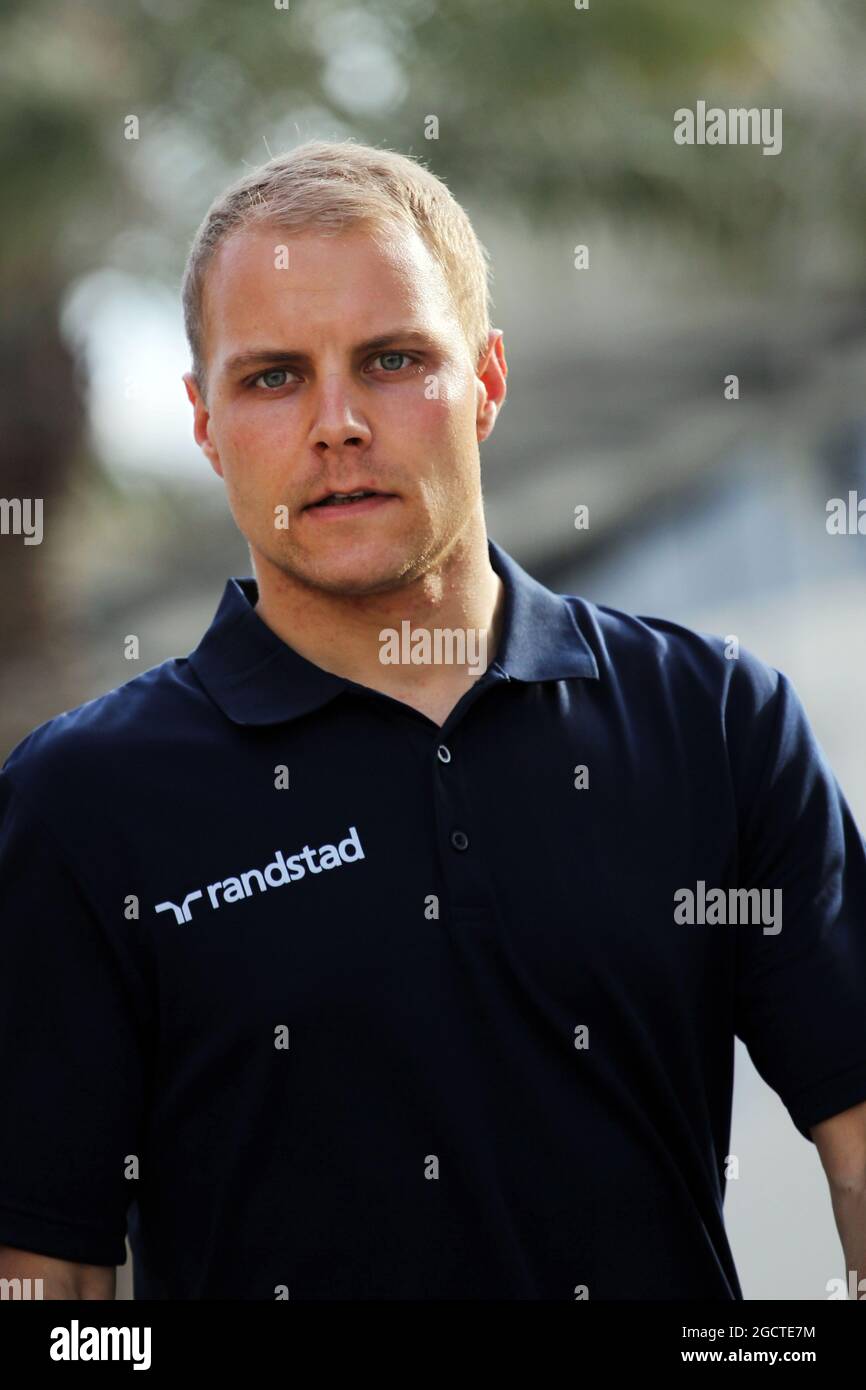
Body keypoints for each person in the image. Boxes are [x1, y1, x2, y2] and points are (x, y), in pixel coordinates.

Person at [1, 139, 865, 1301]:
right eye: (271, 377)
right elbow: (46, 1277)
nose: (337, 424)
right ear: (206, 424)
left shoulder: (712, 718)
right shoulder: (85, 801)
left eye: (393, 358)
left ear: (487, 382)